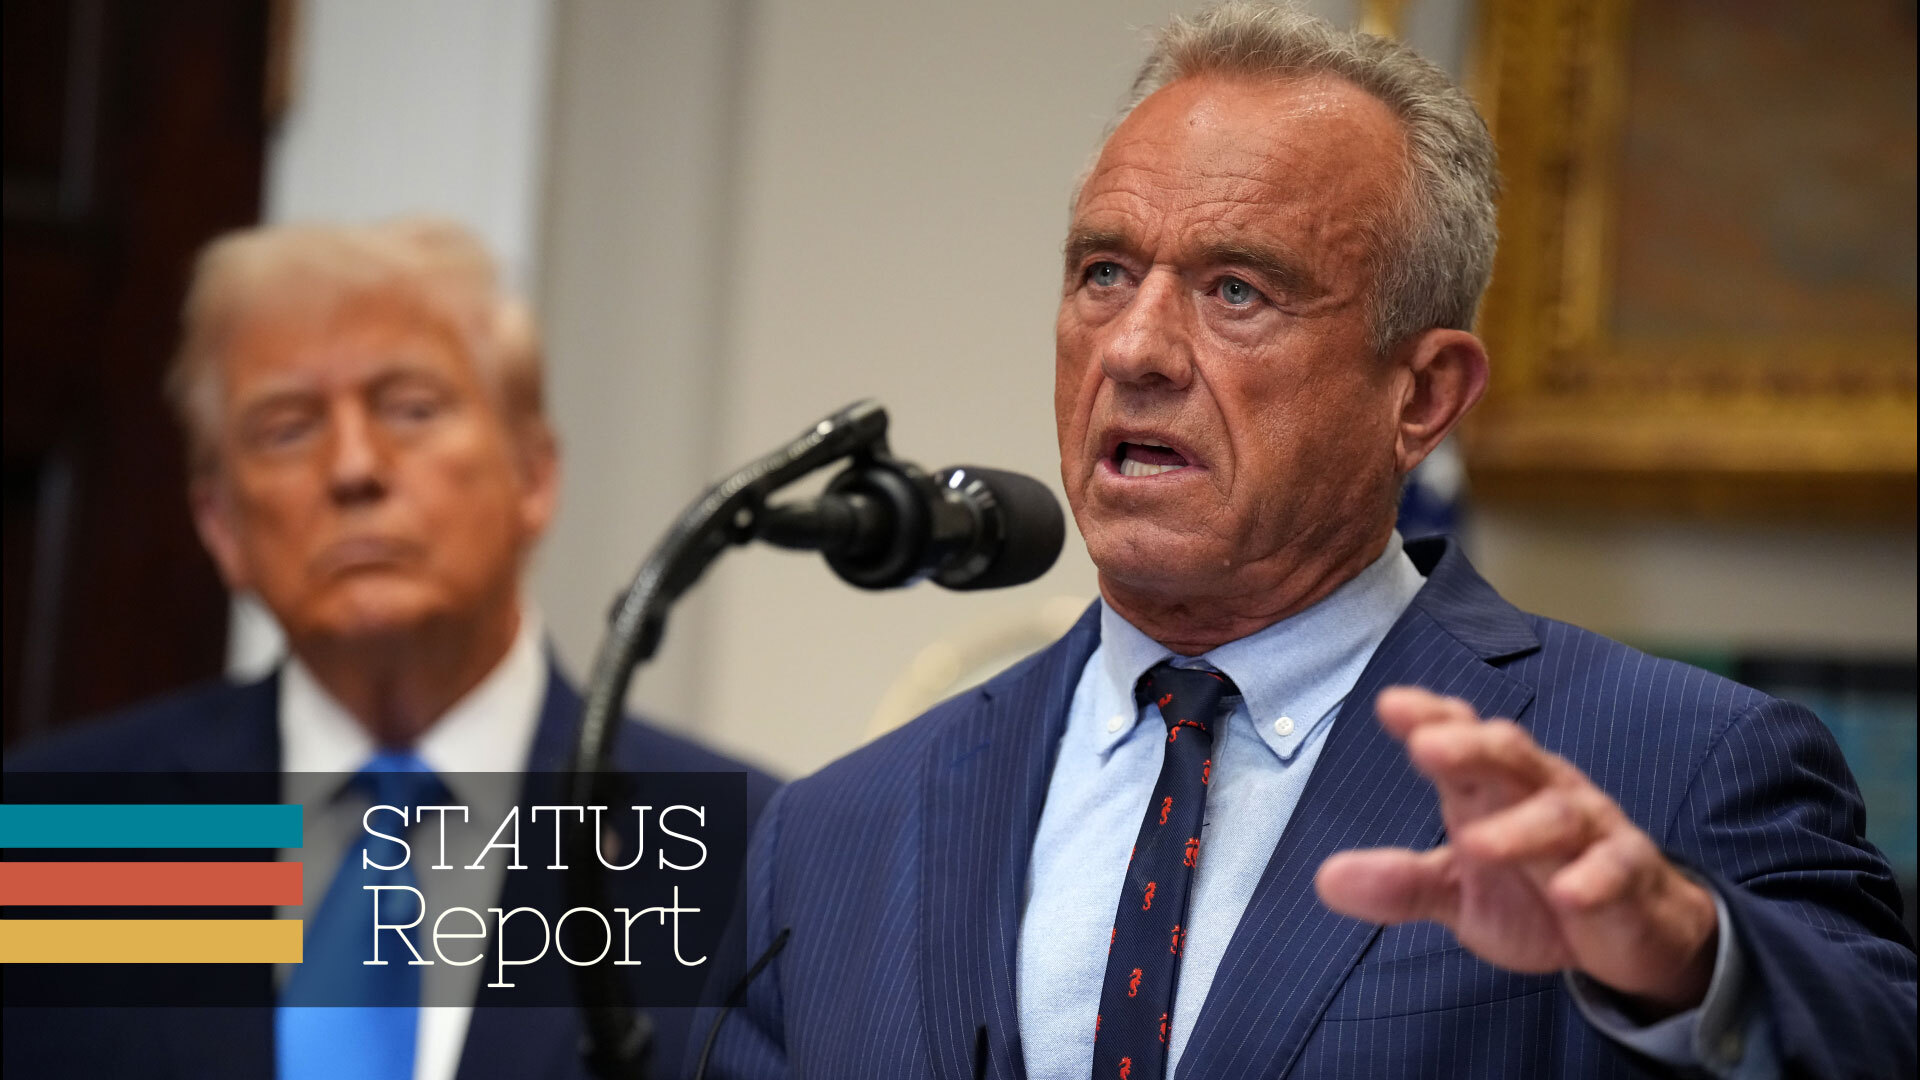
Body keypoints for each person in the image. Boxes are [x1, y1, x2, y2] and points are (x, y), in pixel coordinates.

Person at [693, 4, 1914, 1078]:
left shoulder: (1668, 768)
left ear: (1422, 396)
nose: (1135, 348)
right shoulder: (835, 833)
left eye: (1237, 290)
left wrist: (1691, 962)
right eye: (1104, 272)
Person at [5, 219, 778, 1080]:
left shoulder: (740, 853)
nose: (354, 467)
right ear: (220, 524)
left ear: (533, 475)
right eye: (287, 428)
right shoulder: (72, 834)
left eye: (411, 409)